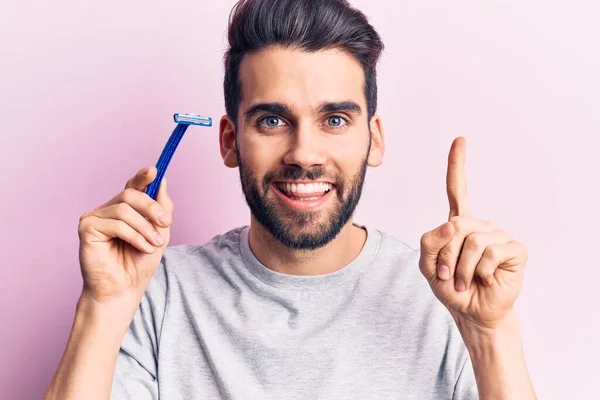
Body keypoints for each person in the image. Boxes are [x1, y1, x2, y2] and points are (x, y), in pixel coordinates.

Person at [45, 0, 537, 399]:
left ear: (375, 139)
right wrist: (102, 305)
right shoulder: (156, 292)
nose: (304, 153)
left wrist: (491, 334)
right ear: (230, 142)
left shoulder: (446, 298)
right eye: (273, 120)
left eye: (336, 120)